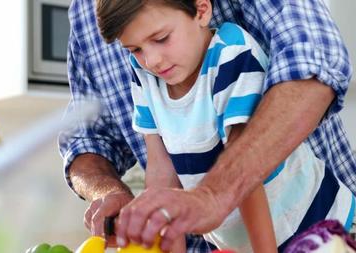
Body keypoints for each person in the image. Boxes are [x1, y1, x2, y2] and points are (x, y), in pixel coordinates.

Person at [58, 0, 355, 252]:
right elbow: (161, 177)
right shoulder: (145, 72)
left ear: (201, 10)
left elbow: (248, 182)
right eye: (135, 49)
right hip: (240, 242)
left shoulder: (232, 57)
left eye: (161, 39)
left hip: (317, 224)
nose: (152, 60)